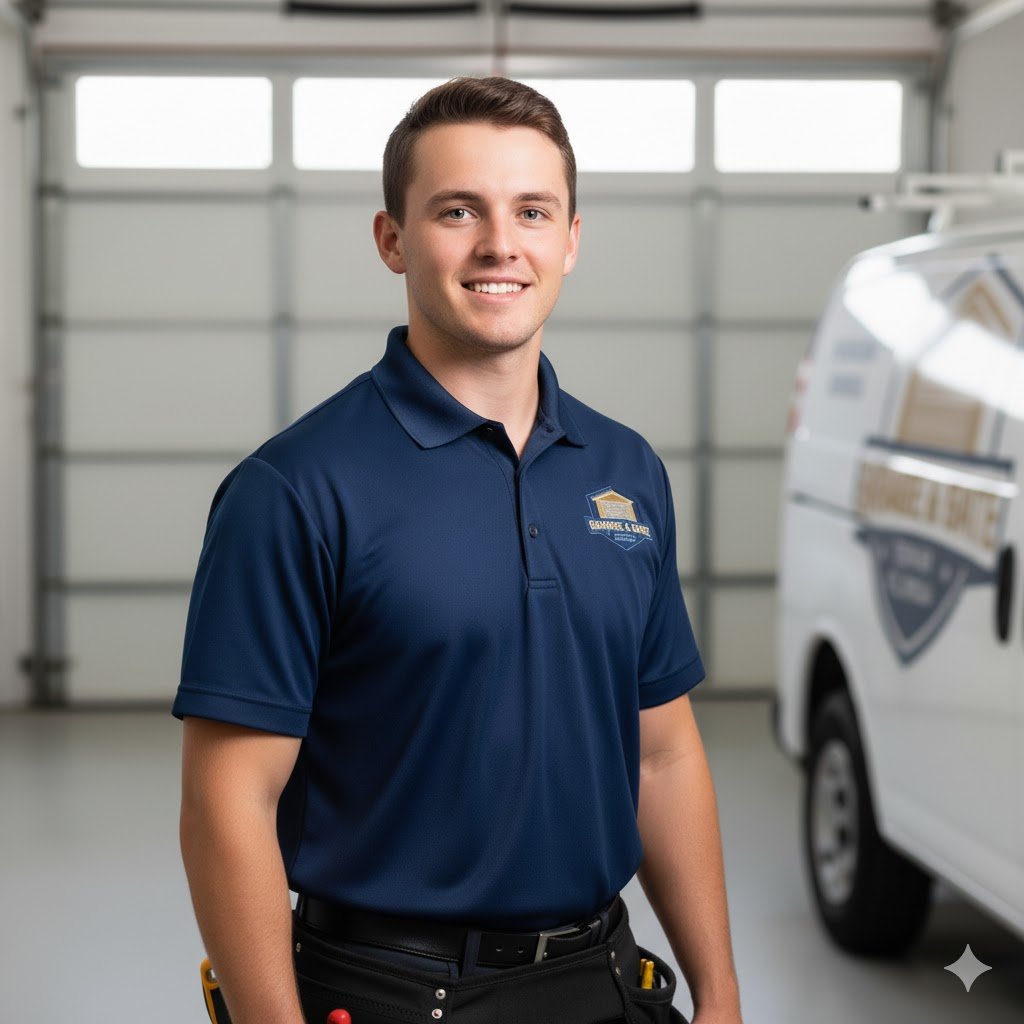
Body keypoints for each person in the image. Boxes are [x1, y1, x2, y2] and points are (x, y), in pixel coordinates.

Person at [174, 75, 742, 1024]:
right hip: (387, 990)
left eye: (531, 210)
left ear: (570, 238)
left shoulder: (625, 471)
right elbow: (227, 802)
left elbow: (663, 756)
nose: (499, 244)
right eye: (457, 210)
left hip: (603, 977)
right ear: (392, 238)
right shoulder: (296, 490)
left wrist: (719, 997)